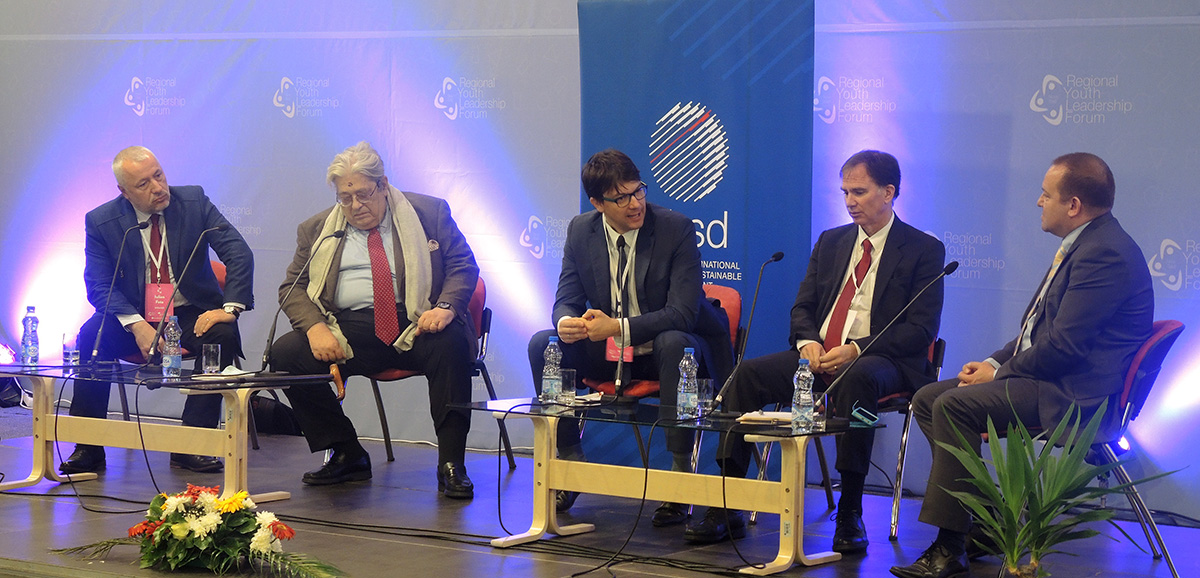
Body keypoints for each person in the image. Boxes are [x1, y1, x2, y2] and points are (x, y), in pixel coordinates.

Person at [891, 152, 1153, 578]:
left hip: (1072, 394)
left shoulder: (1103, 254)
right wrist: (995, 362)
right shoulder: (1088, 243)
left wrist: (999, 376)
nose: (1038, 202)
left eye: (1046, 195)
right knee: (928, 398)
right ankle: (985, 522)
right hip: (1052, 377)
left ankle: (950, 547)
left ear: (1073, 205)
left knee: (953, 406)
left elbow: (1064, 348)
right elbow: (1038, 332)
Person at [690, 150, 945, 547]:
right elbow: (802, 307)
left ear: (889, 192)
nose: (849, 202)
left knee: (857, 381)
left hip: (883, 361)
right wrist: (808, 341)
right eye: (845, 192)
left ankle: (851, 510)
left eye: (859, 192)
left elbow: (920, 329)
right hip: (818, 356)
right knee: (746, 376)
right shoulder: (831, 241)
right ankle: (728, 501)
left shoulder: (922, 249)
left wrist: (856, 349)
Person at [527, 148, 733, 526]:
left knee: (674, 342)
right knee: (544, 344)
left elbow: (682, 314)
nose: (635, 203)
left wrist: (617, 327)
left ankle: (679, 479)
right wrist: (566, 322)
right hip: (613, 352)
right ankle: (570, 463)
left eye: (638, 191)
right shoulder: (580, 230)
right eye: (621, 198)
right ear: (597, 203)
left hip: (672, 351)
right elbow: (566, 298)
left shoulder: (675, 229)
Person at [270, 141, 480, 499]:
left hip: (417, 322)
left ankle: (451, 463)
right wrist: (316, 329)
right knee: (286, 354)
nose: (355, 206)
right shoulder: (317, 229)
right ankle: (346, 451)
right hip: (349, 329)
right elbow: (293, 287)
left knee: (451, 343)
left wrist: (445, 307)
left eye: (363, 194)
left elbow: (462, 265)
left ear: (383, 184)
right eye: (345, 198)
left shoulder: (429, 212)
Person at [60, 146, 254, 475]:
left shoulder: (193, 202)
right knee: (93, 335)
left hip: (189, 310)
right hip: (133, 313)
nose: (158, 188)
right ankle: (88, 446)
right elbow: (99, 285)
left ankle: (192, 443)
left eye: (158, 175)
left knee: (221, 334)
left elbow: (238, 252)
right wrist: (137, 325)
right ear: (124, 192)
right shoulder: (102, 221)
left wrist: (230, 308)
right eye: (144, 184)